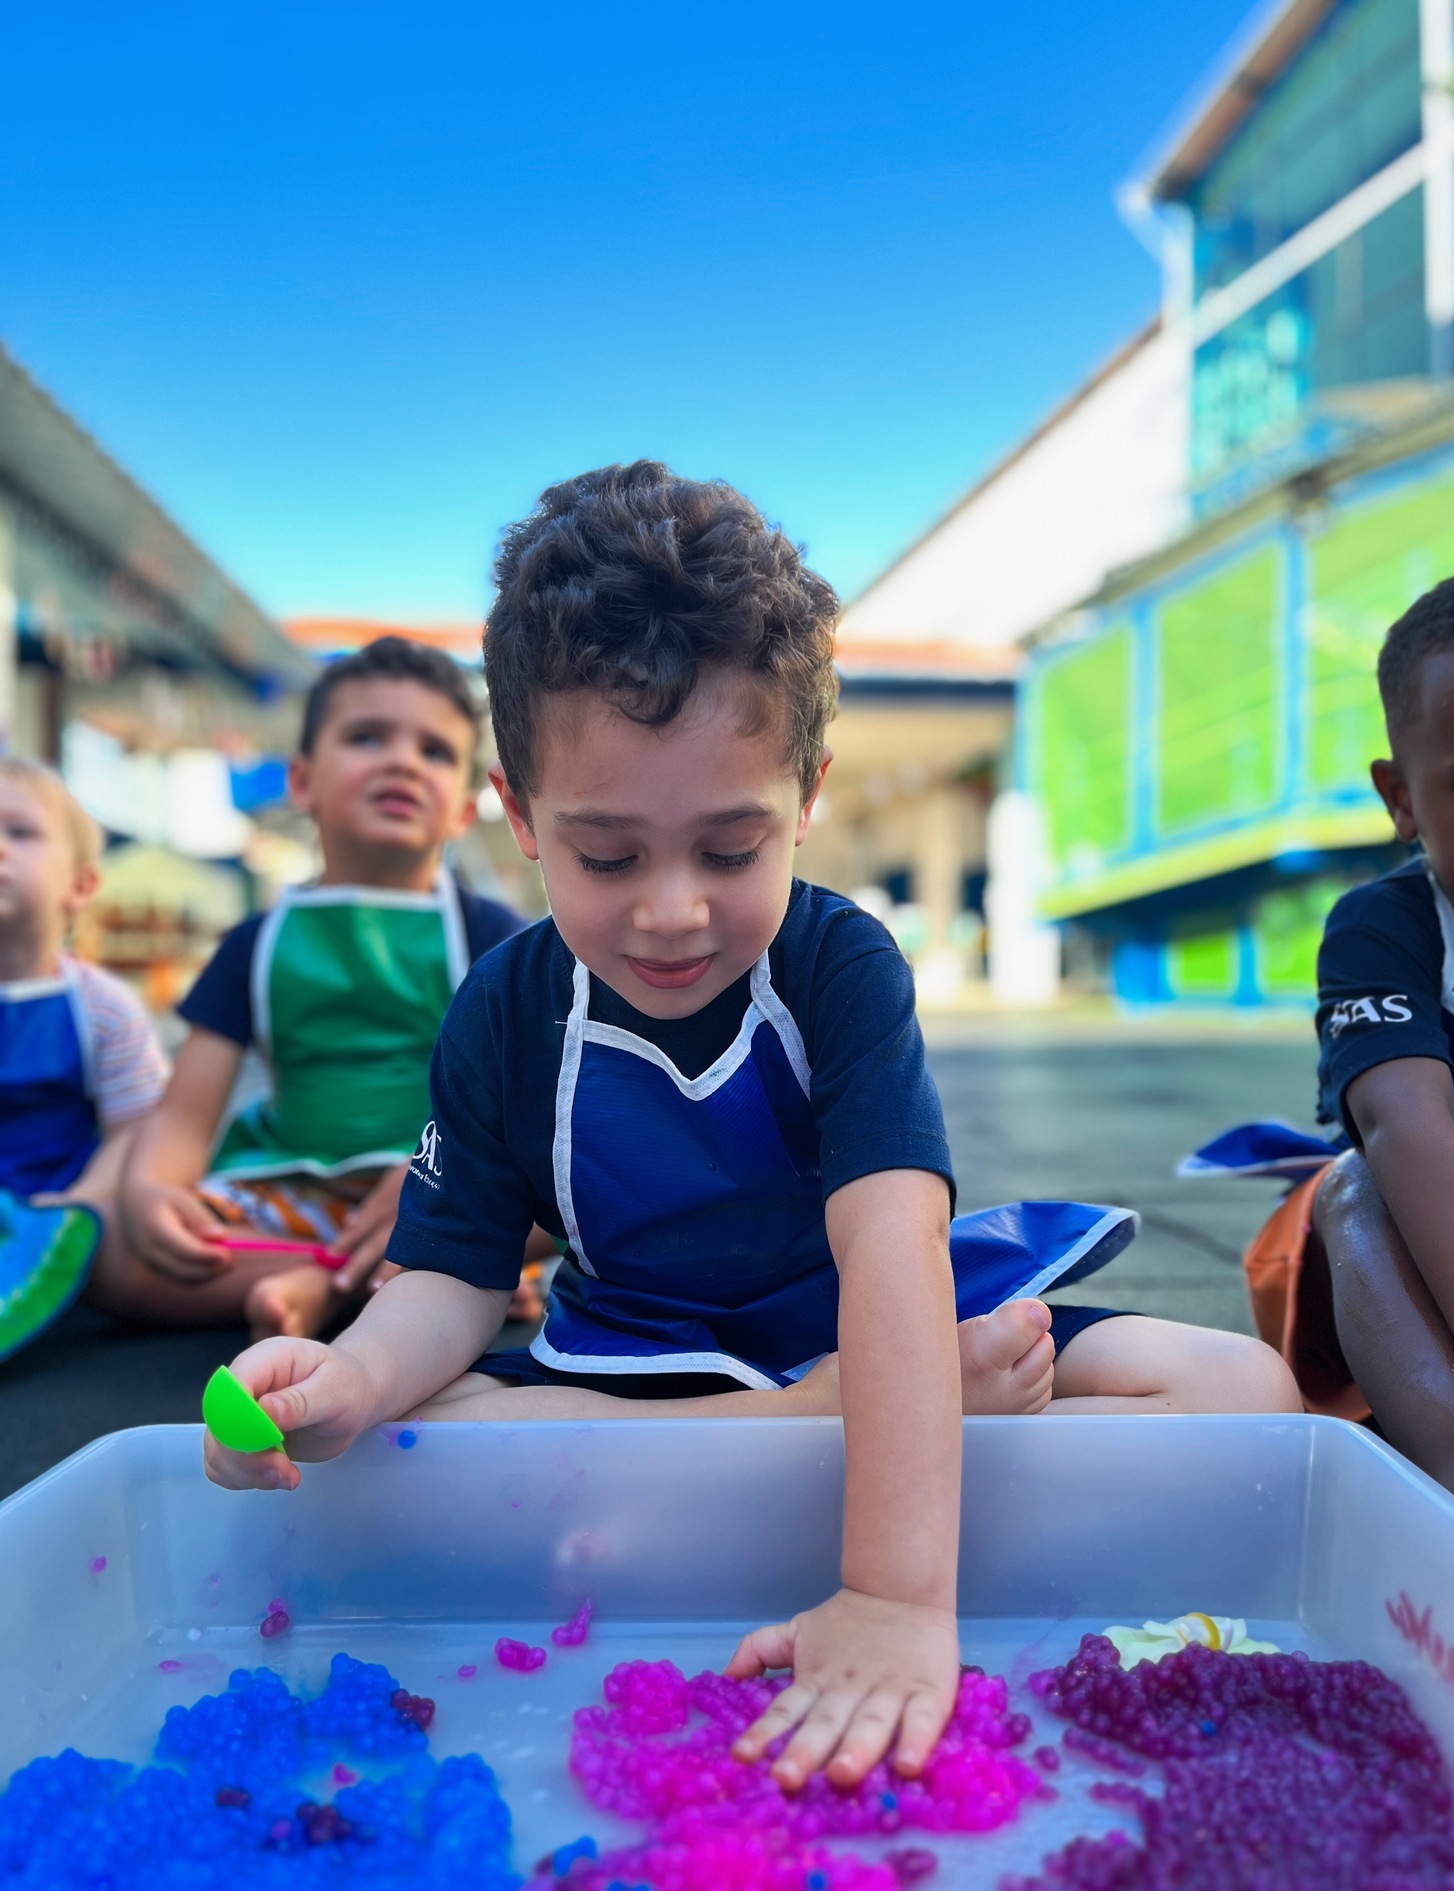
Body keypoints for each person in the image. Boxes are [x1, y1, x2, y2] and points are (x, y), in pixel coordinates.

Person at [204, 464, 1298, 1792]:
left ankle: (811, 1470)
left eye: (731, 850)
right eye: (606, 856)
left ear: (809, 793)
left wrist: (896, 1595)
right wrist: (350, 1384)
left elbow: (895, 1251)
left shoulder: (840, 964)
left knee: (1242, 1391)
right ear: (518, 815)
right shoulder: (499, 1010)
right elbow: (448, 1279)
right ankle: (819, 1438)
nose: (672, 912)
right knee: (430, 1440)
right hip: (646, 1369)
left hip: (883, 1330)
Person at [1186, 556, 1454, 1532]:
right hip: (1404, 1269)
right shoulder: (1386, 927)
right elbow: (1405, 1129)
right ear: (1402, 798)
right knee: (1352, 1186)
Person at [100, 636, 529, 1343]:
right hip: (289, 1198)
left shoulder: (493, 935)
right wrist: (151, 1190)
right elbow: (184, 1116)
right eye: (367, 737)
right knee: (114, 1245)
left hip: (441, 1188)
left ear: (461, 810)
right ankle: (388, 1283)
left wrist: (445, 1179)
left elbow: (525, 1107)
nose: (401, 760)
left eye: (435, 751)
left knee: (570, 1207)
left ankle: (339, 1287)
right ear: (302, 782)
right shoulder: (256, 942)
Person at [0, 758, 168, 1360]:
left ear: (81, 884)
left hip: (73, 1218)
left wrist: (82, 1202)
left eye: (19, 832)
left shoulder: (103, 1006)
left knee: (150, 1237)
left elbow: (138, 1131)